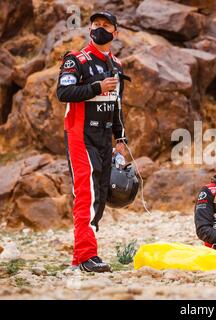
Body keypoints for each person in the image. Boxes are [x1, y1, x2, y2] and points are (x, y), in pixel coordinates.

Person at [57, 11, 129, 272]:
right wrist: (97, 87)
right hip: (80, 133)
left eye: (105, 25)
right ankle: (87, 256)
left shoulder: (117, 65)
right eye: (95, 24)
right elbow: (63, 93)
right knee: (85, 193)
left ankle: (81, 257)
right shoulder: (76, 59)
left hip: (104, 137)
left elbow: (117, 104)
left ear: (115, 33)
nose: (99, 28)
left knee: (101, 193)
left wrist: (120, 137)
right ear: (89, 29)